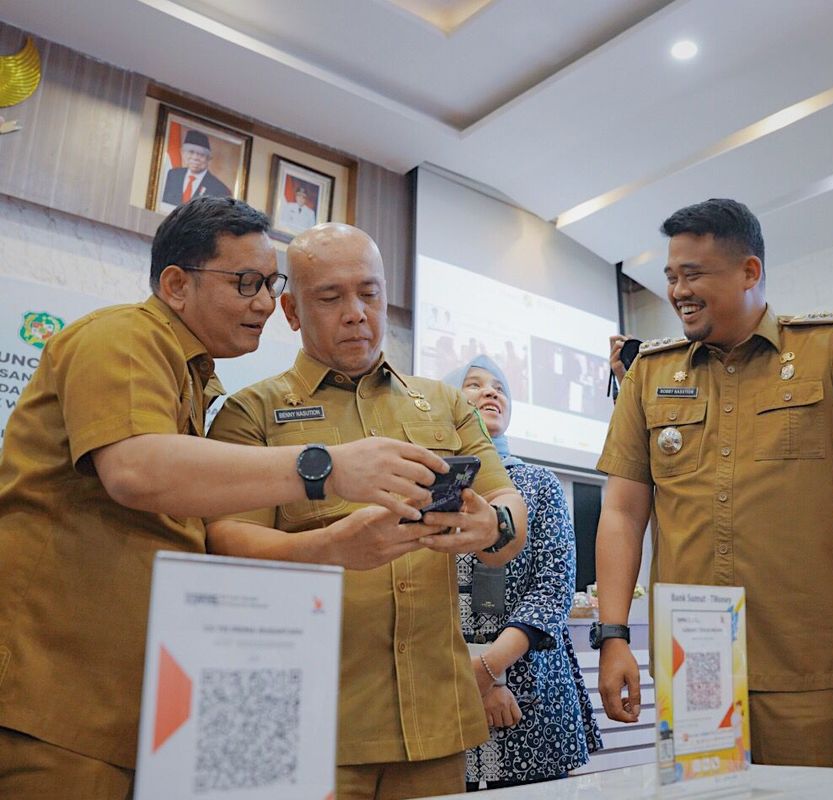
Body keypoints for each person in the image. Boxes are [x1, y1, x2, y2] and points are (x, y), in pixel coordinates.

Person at [0, 197, 445, 798]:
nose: (264, 304)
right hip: (57, 702)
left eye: (271, 284)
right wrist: (326, 467)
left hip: (130, 710)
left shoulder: (196, 378)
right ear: (176, 285)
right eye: (246, 283)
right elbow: (134, 468)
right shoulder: (123, 336)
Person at [205, 222, 528, 800]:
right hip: (310, 721)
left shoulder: (444, 402)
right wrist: (328, 548)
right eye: (330, 297)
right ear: (292, 311)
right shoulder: (251, 413)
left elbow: (507, 510)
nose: (355, 313)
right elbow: (225, 542)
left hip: (434, 720)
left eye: (369, 294)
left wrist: (492, 524)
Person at [594, 198, 833, 769]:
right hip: (694, 666)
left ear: (749, 271)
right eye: (671, 276)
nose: (677, 291)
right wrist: (613, 635)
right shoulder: (649, 374)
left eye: (693, 274)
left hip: (811, 667)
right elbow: (622, 511)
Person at [443, 356, 602, 789]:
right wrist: (474, 676)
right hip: (448, 689)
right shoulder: (433, 488)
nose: (490, 392)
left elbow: (553, 588)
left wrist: (488, 669)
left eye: (499, 388)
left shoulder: (539, 484)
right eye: (473, 385)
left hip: (533, 691)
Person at [160, 130, 232, 207]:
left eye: (201, 154)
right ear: (183, 153)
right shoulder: (173, 175)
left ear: (208, 158)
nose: (195, 158)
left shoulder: (221, 190)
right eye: (191, 152)